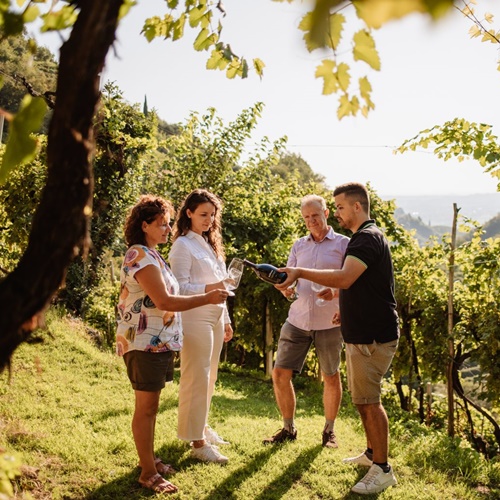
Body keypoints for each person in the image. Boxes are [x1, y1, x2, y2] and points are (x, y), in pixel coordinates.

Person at [276, 183, 399, 495]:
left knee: (370, 403)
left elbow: (345, 277)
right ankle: (372, 454)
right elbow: (355, 282)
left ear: (356, 207)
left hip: (372, 335)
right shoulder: (366, 237)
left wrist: (301, 272)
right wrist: (338, 295)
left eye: (340, 208)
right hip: (360, 332)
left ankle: (382, 469)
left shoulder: (363, 239)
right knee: (364, 400)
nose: (340, 214)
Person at [116, 195, 229, 495]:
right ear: (144, 225)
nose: (168, 229)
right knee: (147, 409)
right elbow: (164, 300)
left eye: (168, 224)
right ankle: (148, 473)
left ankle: (150, 460)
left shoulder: (153, 254)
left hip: (159, 342)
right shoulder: (139, 256)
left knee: (151, 407)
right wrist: (207, 296)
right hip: (143, 342)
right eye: (162, 224)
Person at [263, 195, 349, 448]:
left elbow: (352, 281)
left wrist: (335, 293)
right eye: (306, 218)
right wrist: (284, 288)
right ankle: (288, 428)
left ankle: (329, 431)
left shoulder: (344, 244)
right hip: (298, 319)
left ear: (326, 212)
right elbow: (288, 276)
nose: (311, 221)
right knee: (279, 373)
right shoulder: (299, 245)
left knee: (331, 375)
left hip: (330, 322)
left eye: (315, 215)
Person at [169, 189, 234, 464]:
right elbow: (178, 287)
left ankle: (202, 426)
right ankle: (196, 442)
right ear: (189, 213)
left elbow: (225, 283)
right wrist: (211, 289)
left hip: (217, 315)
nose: (208, 220)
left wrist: (227, 319)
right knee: (196, 376)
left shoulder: (209, 244)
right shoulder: (182, 245)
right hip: (195, 314)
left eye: (212, 215)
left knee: (210, 377)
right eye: (203, 214)